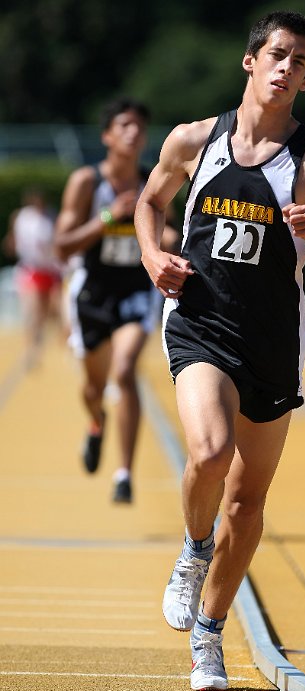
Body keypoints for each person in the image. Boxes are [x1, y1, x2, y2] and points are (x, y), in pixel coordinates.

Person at [134, 11, 305, 691]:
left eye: (300, 63)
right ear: (250, 62)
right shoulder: (195, 140)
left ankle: (210, 632)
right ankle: (193, 550)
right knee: (208, 453)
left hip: (272, 341)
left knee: (247, 501)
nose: (287, 68)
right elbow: (148, 203)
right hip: (199, 321)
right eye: (278, 55)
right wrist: (152, 256)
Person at [55, 98, 179, 504]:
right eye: (124, 125)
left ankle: (124, 474)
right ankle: (96, 422)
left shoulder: (154, 181)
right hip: (93, 291)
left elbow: (173, 234)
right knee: (93, 387)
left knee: (124, 372)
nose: (133, 132)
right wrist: (109, 218)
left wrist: (159, 238)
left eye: (140, 127)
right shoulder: (87, 183)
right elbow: (61, 246)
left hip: (135, 290)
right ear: (107, 135)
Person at [3, 187, 63, 368]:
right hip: (30, 270)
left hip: (51, 270)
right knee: (32, 311)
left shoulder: (51, 217)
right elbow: (11, 240)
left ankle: (43, 342)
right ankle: (31, 350)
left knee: (49, 313)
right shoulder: (20, 217)